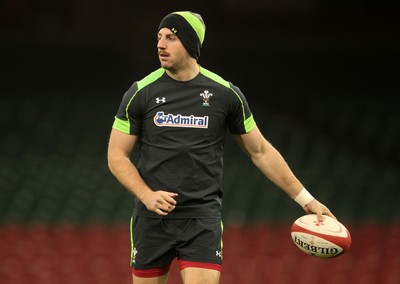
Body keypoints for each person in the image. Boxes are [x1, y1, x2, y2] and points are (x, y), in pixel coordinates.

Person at [107, 11, 335, 284]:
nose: (160, 44)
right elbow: (116, 155)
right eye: (159, 37)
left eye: (171, 38)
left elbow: (260, 152)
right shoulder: (140, 92)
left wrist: (306, 200)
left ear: (191, 44)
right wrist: (146, 195)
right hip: (151, 219)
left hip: (201, 219)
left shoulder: (226, 94)